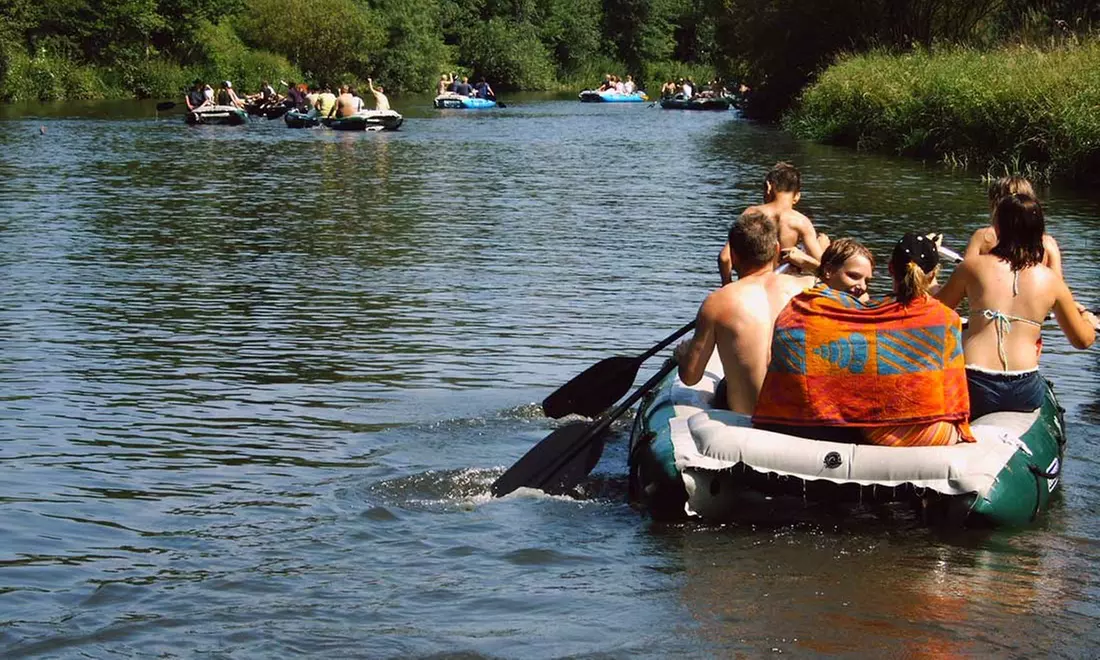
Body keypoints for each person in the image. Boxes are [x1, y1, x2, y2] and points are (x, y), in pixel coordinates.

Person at [754, 233, 974, 446]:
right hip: (904, 432)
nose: (862, 286)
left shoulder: (802, 308)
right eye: (854, 276)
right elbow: (952, 393)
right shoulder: (945, 318)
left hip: (795, 420)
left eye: (866, 280)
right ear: (933, 275)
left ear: (891, 269)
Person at [936, 193, 1096, 419]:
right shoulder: (1051, 281)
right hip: (1023, 388)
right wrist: (1088, 320)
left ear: (997, 228)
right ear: (1039, 232)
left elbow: (934, 313)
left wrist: (930, 286)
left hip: (974, 383)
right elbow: (1082, 340)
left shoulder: (971, 267)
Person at [674, 209, 816, 414]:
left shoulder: (717, 302)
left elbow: (690, 377)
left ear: (733, 255)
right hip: (799, 418)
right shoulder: (809, 288)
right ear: (777, 249)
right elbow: (847, 286)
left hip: (747, 416)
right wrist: (812, 264)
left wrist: (683, 355)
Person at [718, 162, 828, 284]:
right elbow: (824, 269)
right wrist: (809, 255)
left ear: (768, 186)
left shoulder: (751, 213)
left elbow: (725, 258)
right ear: (797, 196)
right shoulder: (801, 222)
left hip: (750, 286)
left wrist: (727, 285)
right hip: (781, 288)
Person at [964, 176, 1062, 277]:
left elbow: (965, 273)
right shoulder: (1048, 243)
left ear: (995, 204)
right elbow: (1058, 282)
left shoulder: (983, 237)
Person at [813, 238, 874, 302]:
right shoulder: (812, 301)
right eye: (853, 276)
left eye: (866, 281)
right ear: (828, 270)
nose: (863, 287)